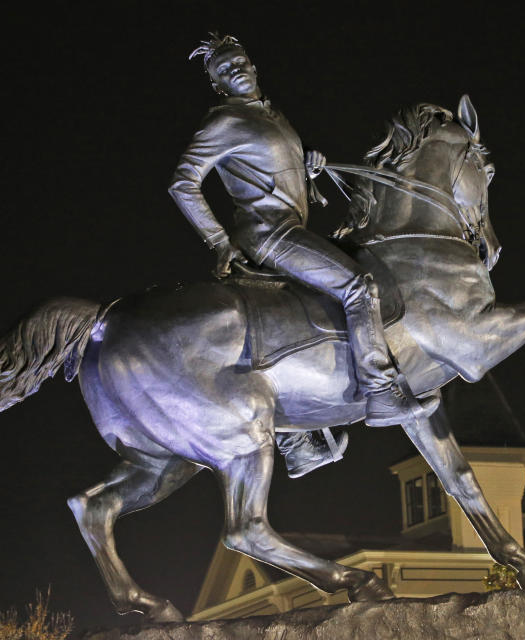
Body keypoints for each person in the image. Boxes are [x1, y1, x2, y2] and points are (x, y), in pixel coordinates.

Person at [169, 34, 438, 476]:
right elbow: (182, 182)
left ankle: (301, 441)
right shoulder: (223, 122)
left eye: (238, 61)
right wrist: (218, 240)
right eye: (224, 70)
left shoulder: (270, 115)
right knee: (356, 285)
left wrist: (306, 157)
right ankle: (381, 389)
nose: (235, 70)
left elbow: (273, 167)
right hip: (270, 234)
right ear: (217, 84)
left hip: (291, 228)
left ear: (253, 65)